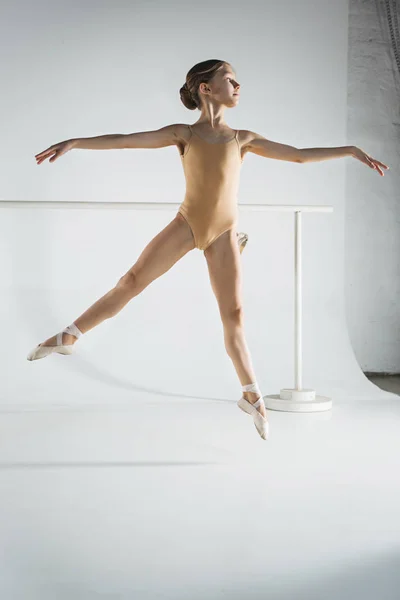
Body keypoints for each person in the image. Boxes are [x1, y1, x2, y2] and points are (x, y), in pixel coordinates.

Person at [27, 59, 389, 441]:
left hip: (224, 234)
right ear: (205, 88)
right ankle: (68, 336)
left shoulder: (243, 138)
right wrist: (75, 142)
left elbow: (297, 154)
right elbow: (126, 138)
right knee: (131, 281)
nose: (238, 85)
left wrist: (350, 150)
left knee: (234, 315)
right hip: (187, 225)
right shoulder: (183, 133)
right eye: (229, 79)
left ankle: (251, 393)